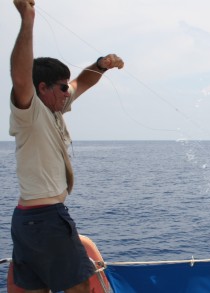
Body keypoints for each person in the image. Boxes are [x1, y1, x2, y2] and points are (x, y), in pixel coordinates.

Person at [10, 0, 124, 292]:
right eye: (61, 87)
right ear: (41, 89)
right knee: (80, 288)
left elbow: (82, 82)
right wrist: (27, 18)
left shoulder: (55, 108)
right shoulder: (30, 112)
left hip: (27, 220)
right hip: (47, 219)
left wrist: (101, 65)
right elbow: (21, 76)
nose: (67, 91)